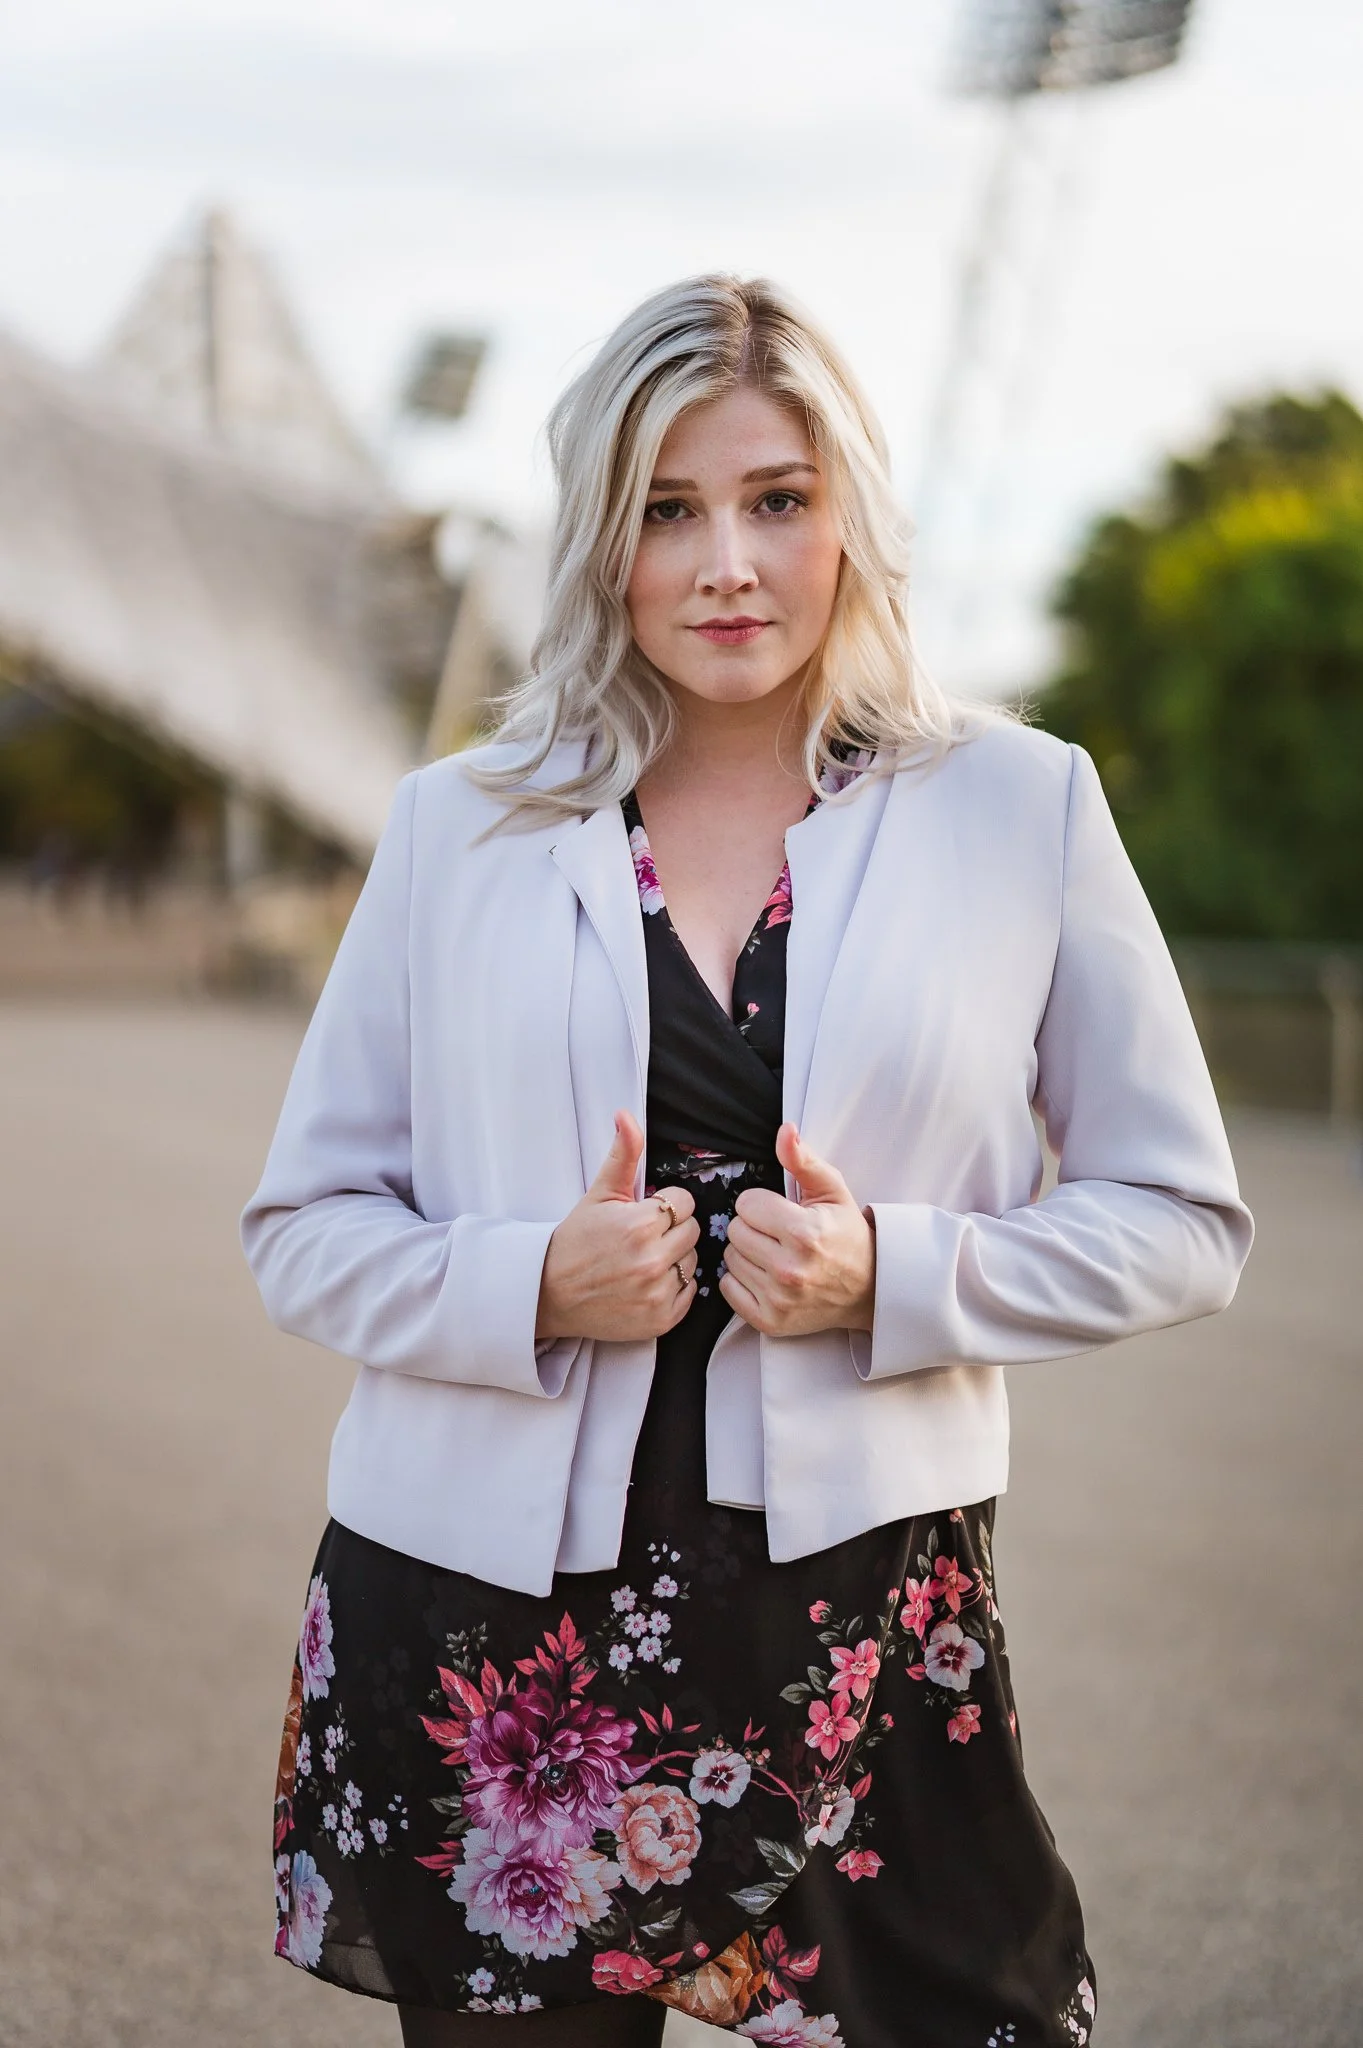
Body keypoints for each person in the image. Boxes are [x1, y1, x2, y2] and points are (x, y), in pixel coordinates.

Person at [241, 276, 1253, 2048]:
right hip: (496, 1638)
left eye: (777, 500)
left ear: (848, 515)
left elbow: (1181, 1220)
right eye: (667, 509)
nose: (728, 563)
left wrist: (901, 1275)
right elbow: (302, 1227)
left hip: (864, 1610)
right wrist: (527, 1283)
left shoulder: (1022, 808)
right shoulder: (461, 828)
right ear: (599, 540)